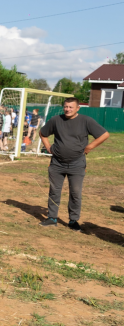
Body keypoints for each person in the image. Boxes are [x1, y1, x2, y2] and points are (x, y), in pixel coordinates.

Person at [38, 98, 109, 231]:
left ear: (77, 108)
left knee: (75, 193)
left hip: (77, 164)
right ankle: (52, 218)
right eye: (65, 107)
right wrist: (48, 146)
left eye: (71, 107)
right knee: (54, 191)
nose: (67, 109)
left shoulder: (86, 121)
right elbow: (43, 133)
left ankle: (73, 220)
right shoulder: (56, 120)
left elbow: (104, 134)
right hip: (57, 163)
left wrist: (89, 147)